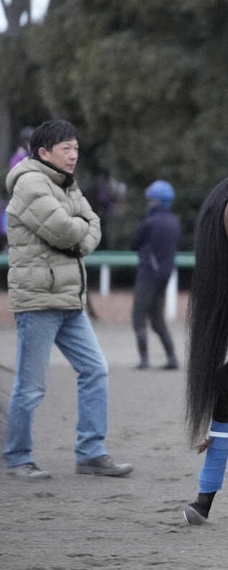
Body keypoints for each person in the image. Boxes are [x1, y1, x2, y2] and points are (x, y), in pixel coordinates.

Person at [3, 119, 133, 480]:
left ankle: (91, 453)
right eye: (66, 149)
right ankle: (17, 458)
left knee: (95, 370)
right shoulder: (30, 183)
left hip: (69, 300)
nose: (74, 155)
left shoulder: (67, 183)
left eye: (75, 148)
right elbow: (65, 230)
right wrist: (80, 235)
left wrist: (80, 236)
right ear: (44, 153)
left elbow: (92, 223)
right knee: (31, 387)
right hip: (39, 300)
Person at [130, 180, 181, 370]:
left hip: (147, 276)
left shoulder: (150, 223)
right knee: (158, 319)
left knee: (138, 316)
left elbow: (134, 243)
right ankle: (172, 357)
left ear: (156, 201)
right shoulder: (174, 222)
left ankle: (144, 359)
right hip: (165, 277)